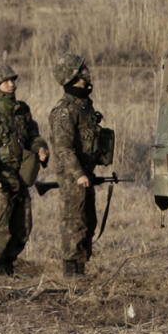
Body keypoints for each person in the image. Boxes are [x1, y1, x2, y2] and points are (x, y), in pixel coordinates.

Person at [0, 63, 49, 275]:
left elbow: (33, 135)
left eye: (13, 80)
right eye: (6, 81)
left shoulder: (22, 110)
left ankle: (7, 267)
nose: (12, 84)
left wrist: (40, 148)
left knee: (22, 227)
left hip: (20, 178)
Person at [48, 52, 108, 277]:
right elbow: (63, 148)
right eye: (82, 70)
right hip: (75, 174)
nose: (87, 73)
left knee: (88, 220)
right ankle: (71, 270)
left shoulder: (84, 105)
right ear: (73, 77)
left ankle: (80, 266)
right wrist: (77, 174)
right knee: (75, 219)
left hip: (86, 171)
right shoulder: (65, 109)